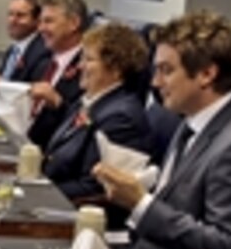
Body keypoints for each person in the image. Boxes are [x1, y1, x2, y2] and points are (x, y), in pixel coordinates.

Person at [94, 10, 231, 249]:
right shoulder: (188, 123)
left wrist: (141, 204)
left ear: (207, 74)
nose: (155, 82)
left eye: (166, 70)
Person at [42, 23, 151, 207]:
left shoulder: (122, 118)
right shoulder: (87, 101)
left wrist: (40, 192)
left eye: (88, 59)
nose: (79, 66)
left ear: (116, 68)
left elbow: (95, 188)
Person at [26, 0, 88, 149]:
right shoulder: (43, 63)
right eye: (40, 22)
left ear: (74, 23)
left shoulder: (88, 68)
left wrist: (57, 102)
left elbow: (84, 128)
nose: (40, 29)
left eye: (49, 21)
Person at [0, 0, 51, 108]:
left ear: (37, 21)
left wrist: (0, 86)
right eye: (10, 14)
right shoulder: (13, 50)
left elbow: (32, 93)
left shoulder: (43, 51)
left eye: (20, 16)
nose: (12, 20)